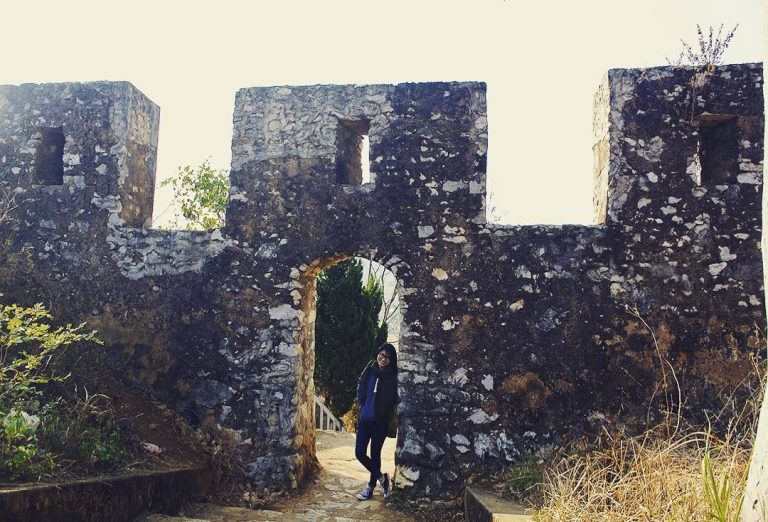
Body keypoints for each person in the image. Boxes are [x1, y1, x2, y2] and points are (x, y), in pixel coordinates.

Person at [354, 342, 398, 500]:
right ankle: (382, 478)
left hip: (380, 422)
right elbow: (360, 383)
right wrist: (361, 403)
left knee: (375, 454)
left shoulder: (392, 377)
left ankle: (370, 487)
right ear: (377, 353)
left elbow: (393, 399)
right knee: (359, 453)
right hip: (365, 419)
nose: (383, 359)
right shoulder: (370, 368)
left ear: (391, 360)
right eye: (382, 354)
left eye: (388, 357)